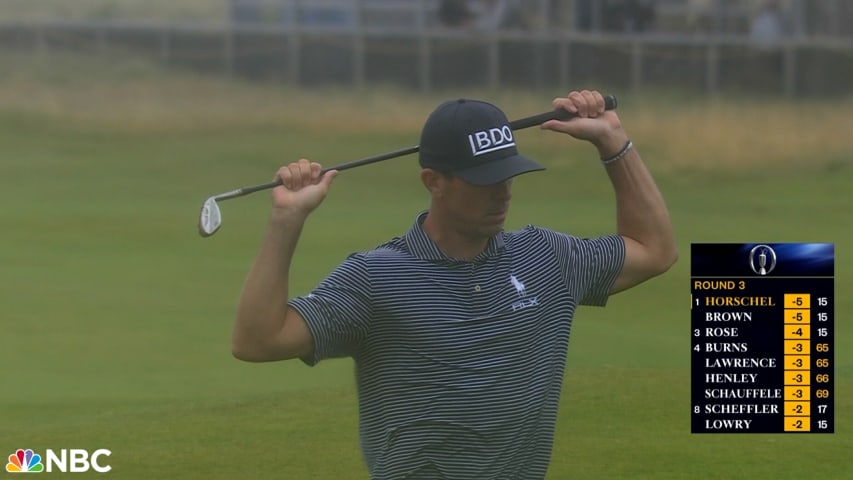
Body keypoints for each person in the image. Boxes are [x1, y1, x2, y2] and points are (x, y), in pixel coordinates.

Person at [231, 90, 678, 479]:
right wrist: (286, 221)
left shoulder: (546, 257)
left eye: (507, 176)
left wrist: (613, 141)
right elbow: (257, 340)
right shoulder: (377, 278)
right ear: (434, 182)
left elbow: (654, 249)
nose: (502, 193)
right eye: (483, 181)